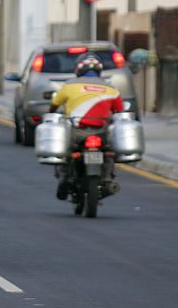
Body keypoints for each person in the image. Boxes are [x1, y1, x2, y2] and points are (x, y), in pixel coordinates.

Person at [48, 52, 124, 200]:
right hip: (101, 132)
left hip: (77, 132)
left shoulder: (69, 85)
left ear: (79, 69)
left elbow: (55, 104)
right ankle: (108, 179)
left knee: (65, 152)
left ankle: (64, 179)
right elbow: (119, 111)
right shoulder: (111, 89)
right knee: (109, 153)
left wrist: (51, 112)